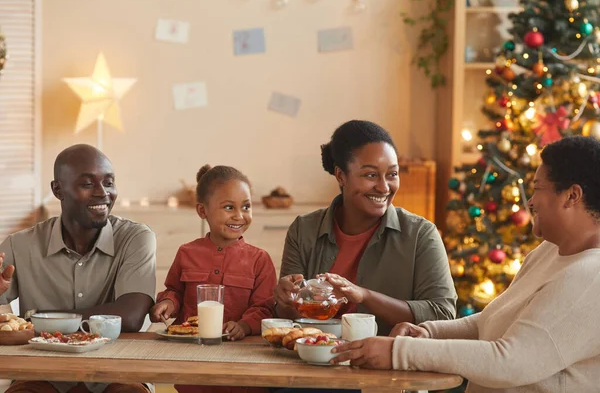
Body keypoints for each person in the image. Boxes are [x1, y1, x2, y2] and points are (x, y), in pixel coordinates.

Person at [331, 135, 600, 392]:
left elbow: (512, 360)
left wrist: (397, 352)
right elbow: (491, 322)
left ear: (572, 196)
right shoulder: (549, 252)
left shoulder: (591, 277)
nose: (530, 201)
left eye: (538, 189)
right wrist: (427, 333)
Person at [273, 120, 457, 336]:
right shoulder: (304, 230)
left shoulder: (420, 234)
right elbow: (288, 316)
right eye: (371, 175)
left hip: (389, 361)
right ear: (341, 176)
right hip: (314, 356)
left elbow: (443, 314)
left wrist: (364, 296)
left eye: (392, 174)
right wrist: (284, 300)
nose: (384, 187)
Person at [0, 144, 156, 393]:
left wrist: (38, 320)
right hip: (42, 373)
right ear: (58, 190)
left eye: (109, 182)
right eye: (87, 184)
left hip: (118, 372)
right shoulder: (19, 246)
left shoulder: (136, 238)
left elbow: (130, 316)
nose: (102, 193)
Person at [149, 165, 276, 393]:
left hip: (243, 366)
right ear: (202, 211)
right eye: (229, 207)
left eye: (246, 206)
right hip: (192, 364)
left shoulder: (260, 259)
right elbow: (174, 291)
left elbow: (265, 308)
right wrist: (167, 303)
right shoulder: (186, 252)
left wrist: (244, 326)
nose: (239, 215)